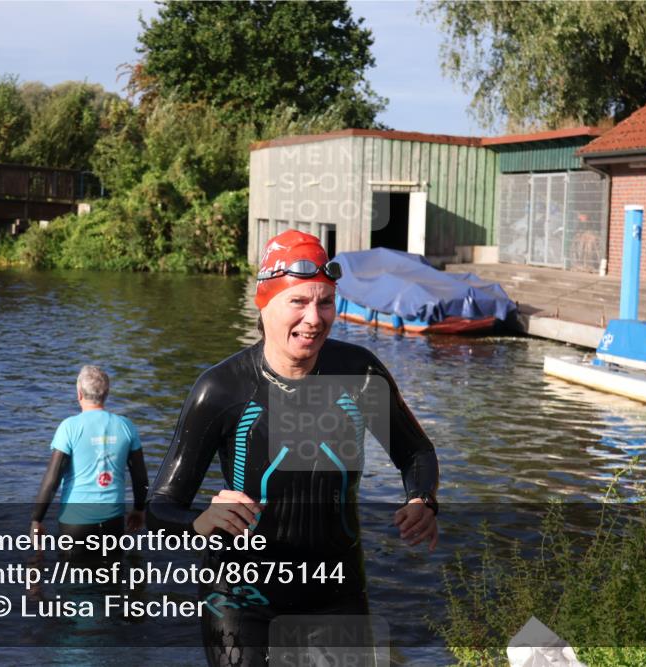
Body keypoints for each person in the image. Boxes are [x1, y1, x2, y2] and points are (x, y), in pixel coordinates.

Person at [148, 230, 440, 666]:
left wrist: (422, 499)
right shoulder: (221, 389)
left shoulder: (360, 373)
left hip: (336, 591)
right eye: (298, 302)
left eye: (325, 302)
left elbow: (415, 452)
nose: (314, 319)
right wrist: (200, 522)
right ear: (263, 303)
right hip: (240, 598)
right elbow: (159, 509)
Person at [31, 365, 149, 563]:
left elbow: (52, 479)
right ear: (107, 393)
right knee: (112, 577)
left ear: (79, 394)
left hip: (75, 524)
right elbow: (140, 477)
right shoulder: (126, 426)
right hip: (113, 521)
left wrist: (37, 519)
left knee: (73, 579)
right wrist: (138, 509)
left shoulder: (69, 427)